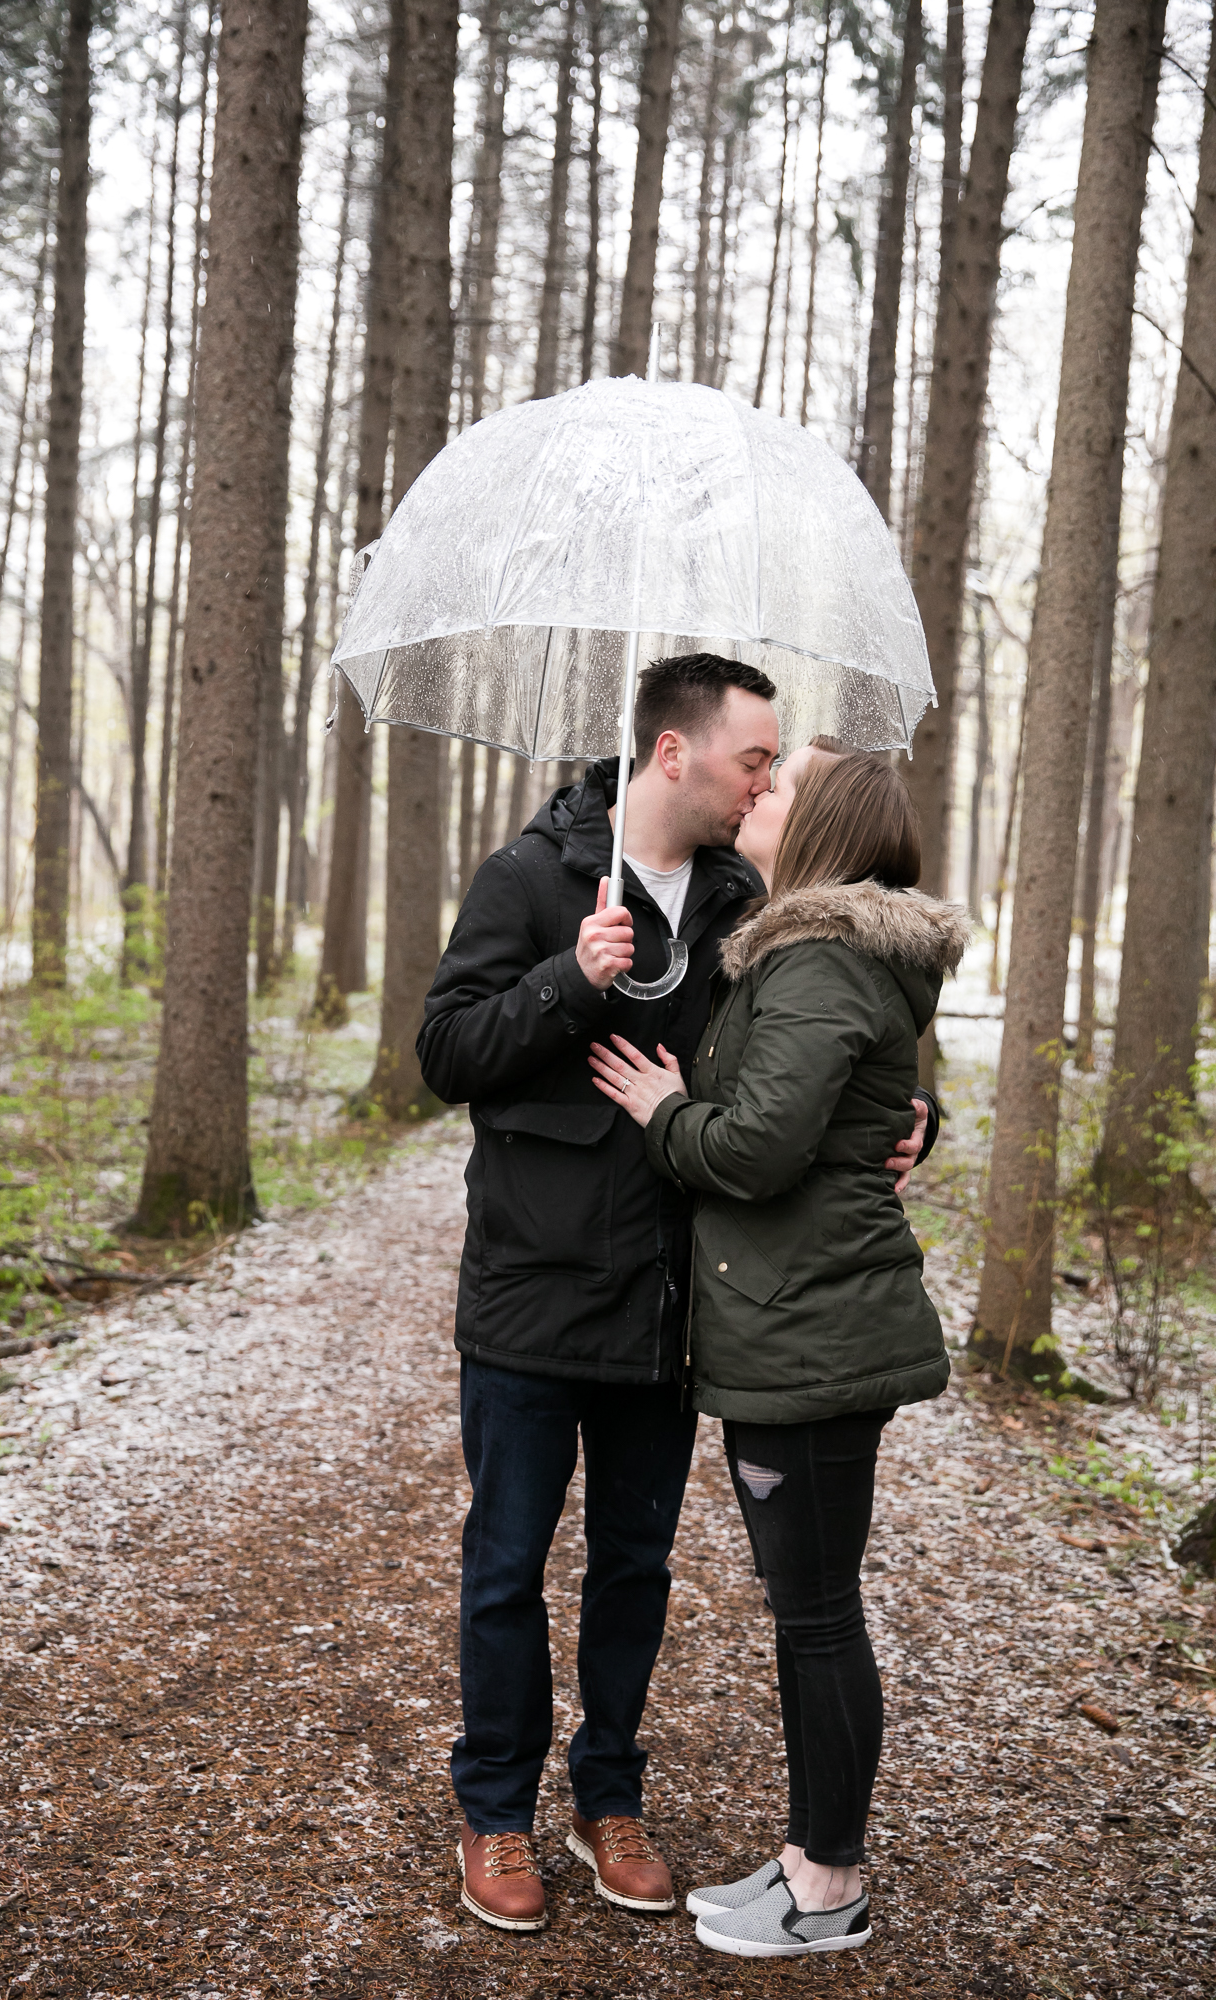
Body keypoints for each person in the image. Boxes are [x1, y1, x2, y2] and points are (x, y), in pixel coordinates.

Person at [417, 657, 936, 1934]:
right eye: (751, 757)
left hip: (668, 1306)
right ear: (672, 754)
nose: (764, 778)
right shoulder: (531, 877)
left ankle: (610, 1797)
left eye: (773, 766)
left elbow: (824, 1054)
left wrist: (924, 1121)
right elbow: (443, 1052)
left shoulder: (745, 900)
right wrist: (565, 980)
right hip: (532, 1298)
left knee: (633, 1566)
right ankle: (495, 1813)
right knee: (505, 1565)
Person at [589, 753, 968, 1960]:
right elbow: (862, 1099)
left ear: (828, 824)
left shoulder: (814, 957)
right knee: (811, 1609)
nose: (756, 793)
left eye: (780, 785)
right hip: (801, 1319)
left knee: (815, 1615)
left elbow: (754, 1150)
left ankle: (828, 1883)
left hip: (809, 1329)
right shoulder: (820, 952)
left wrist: (663, 1113)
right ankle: (813, 1852)